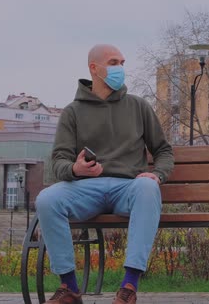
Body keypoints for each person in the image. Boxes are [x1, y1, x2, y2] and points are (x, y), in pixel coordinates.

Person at [35, 44, 174, 304]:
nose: (120, 68)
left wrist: (158, 174)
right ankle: (69, 288)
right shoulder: (72, 112)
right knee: (47, 199)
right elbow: (59, 162)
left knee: (148, 188)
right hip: (87, 189)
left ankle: (129, 287)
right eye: (113, 62)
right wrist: (76, 169)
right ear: (94, 68)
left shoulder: (138, 106)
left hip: (128, 188)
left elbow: (163, 151)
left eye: (122, 62)